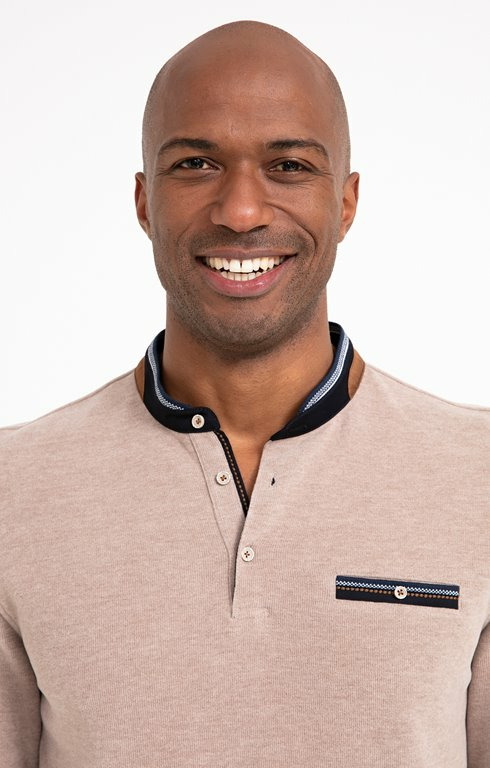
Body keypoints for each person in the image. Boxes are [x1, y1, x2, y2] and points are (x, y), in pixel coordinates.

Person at [0, 19, 488, 768]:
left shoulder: (476, 476)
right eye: (196, 164)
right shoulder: (15, 489)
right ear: (143, 202)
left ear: (346, 203)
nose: (241, 211)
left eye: (289, 166)